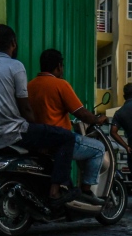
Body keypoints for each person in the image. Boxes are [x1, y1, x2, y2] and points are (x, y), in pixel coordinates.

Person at [0, 24, 75, 201]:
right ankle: (56, 190)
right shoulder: (15, 66)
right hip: (14, 133)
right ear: (13, 43)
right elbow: (25, 108)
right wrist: (39, 129)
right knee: (67, 137)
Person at [28, 48, 107, 204]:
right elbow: (81, 113)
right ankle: (86, 191)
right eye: (62, 66)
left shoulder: (30, 86)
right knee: (98, 148)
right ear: (58, 66)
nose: (62, 70)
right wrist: (97, 120)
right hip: (61, 140)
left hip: (40, 140)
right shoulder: (60, 85)